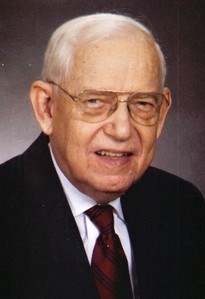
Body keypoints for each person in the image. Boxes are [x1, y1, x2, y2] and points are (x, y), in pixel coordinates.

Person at [0, 13, 204, 299]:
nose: (122, 130)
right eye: (94, 101)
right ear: (47, 108)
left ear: (162, 114)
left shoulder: (183, 207)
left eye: (143, 103)